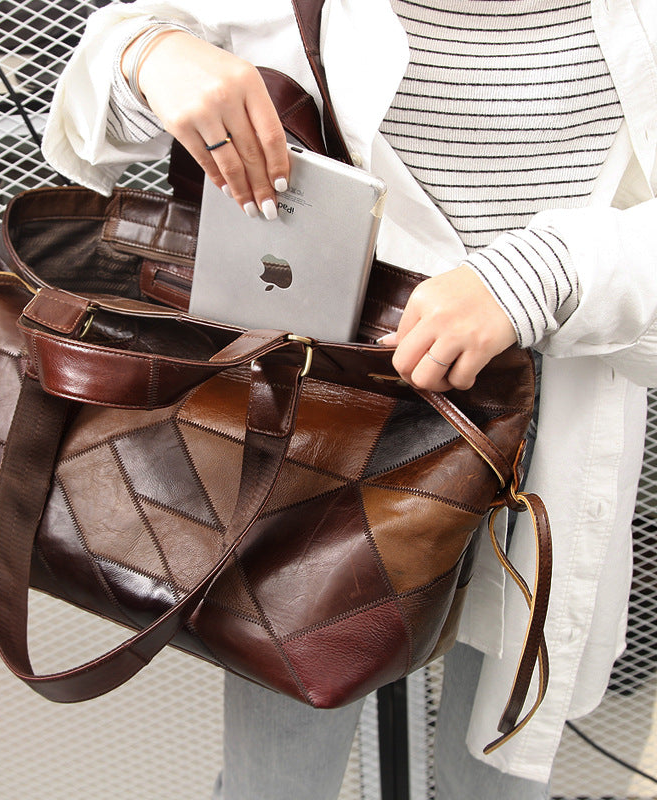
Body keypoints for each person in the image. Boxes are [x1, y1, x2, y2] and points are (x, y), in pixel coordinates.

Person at [41, 1, 657, 797]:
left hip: (548, 422)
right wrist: (151, 52)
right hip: (314, 413)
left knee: (495, 776)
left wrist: (555, 270)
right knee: (280, 768)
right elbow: (96, 105)